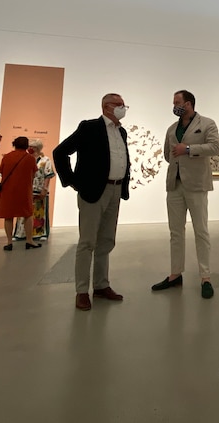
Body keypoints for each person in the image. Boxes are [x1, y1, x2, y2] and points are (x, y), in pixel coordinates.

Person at [53, 93, 131, 311]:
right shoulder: (89, 127)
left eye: (124, 105)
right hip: (93, 192)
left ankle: (101, 285)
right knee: (87, 242)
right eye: (119, 105)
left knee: (106, 240)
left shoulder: (121, 131)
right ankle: (81, 291)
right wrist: (72, 181)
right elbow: (60, 152)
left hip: (116, 190)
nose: (123, 108)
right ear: (107, 107)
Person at [152, 90, 219, 300]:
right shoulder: (172, 128)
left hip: (197, 185)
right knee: (175, 232)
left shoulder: (207, 123)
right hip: (174, 184)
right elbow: (166, 154)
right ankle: (175, 274)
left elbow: (215, 147)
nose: (174, 106)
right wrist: (178, 156)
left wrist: (188, 149)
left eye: (177, 102)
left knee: (201, 231)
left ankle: (205, 277)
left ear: (188, 104)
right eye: (174, 103)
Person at [0, 136, 38, 251]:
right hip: (24, 190)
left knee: (8, 216)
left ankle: (9, 242)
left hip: (8, 190)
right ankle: (29, 240)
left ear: (14, 144)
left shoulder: (6, 157)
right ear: (26, 145)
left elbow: (1, 172)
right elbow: (33, 174)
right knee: (27, 215)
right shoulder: (30, 158)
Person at [29, 138, 56, 239]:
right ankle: (22, 233)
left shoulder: (45, 160)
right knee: (25, 212)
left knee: (40, 212)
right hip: (28, 190)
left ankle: (40, 233)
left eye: (32, 147)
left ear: (37, 148)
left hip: (40, 189)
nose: (29, 148)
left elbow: (48, 175)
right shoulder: (27, 158)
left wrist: (45, 188)